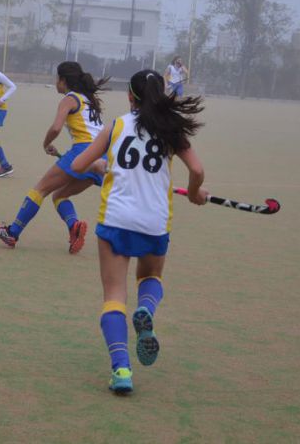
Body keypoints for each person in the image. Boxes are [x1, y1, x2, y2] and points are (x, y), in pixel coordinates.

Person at [71, 69, 207, 394]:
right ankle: (146, 309)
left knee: (114, 296)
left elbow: (77, 165)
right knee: (150, 278)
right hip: (154, 221)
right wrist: (196, 191)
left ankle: (121, 370)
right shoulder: (172, 129)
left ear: (130, 96)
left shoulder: (116, 125)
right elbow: (198, 170)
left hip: (117, 219)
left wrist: (97, 165)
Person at [0, 61, 108, 254]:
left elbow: (55, 127)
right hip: (101, 156)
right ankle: (74, 226)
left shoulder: (69, 99)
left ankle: (12, 232)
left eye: (57, 78)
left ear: (63, 80)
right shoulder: (88, 99)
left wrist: (46, 144)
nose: (56, 83)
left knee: (40, 190)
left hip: (83, 152)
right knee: (59, 195)